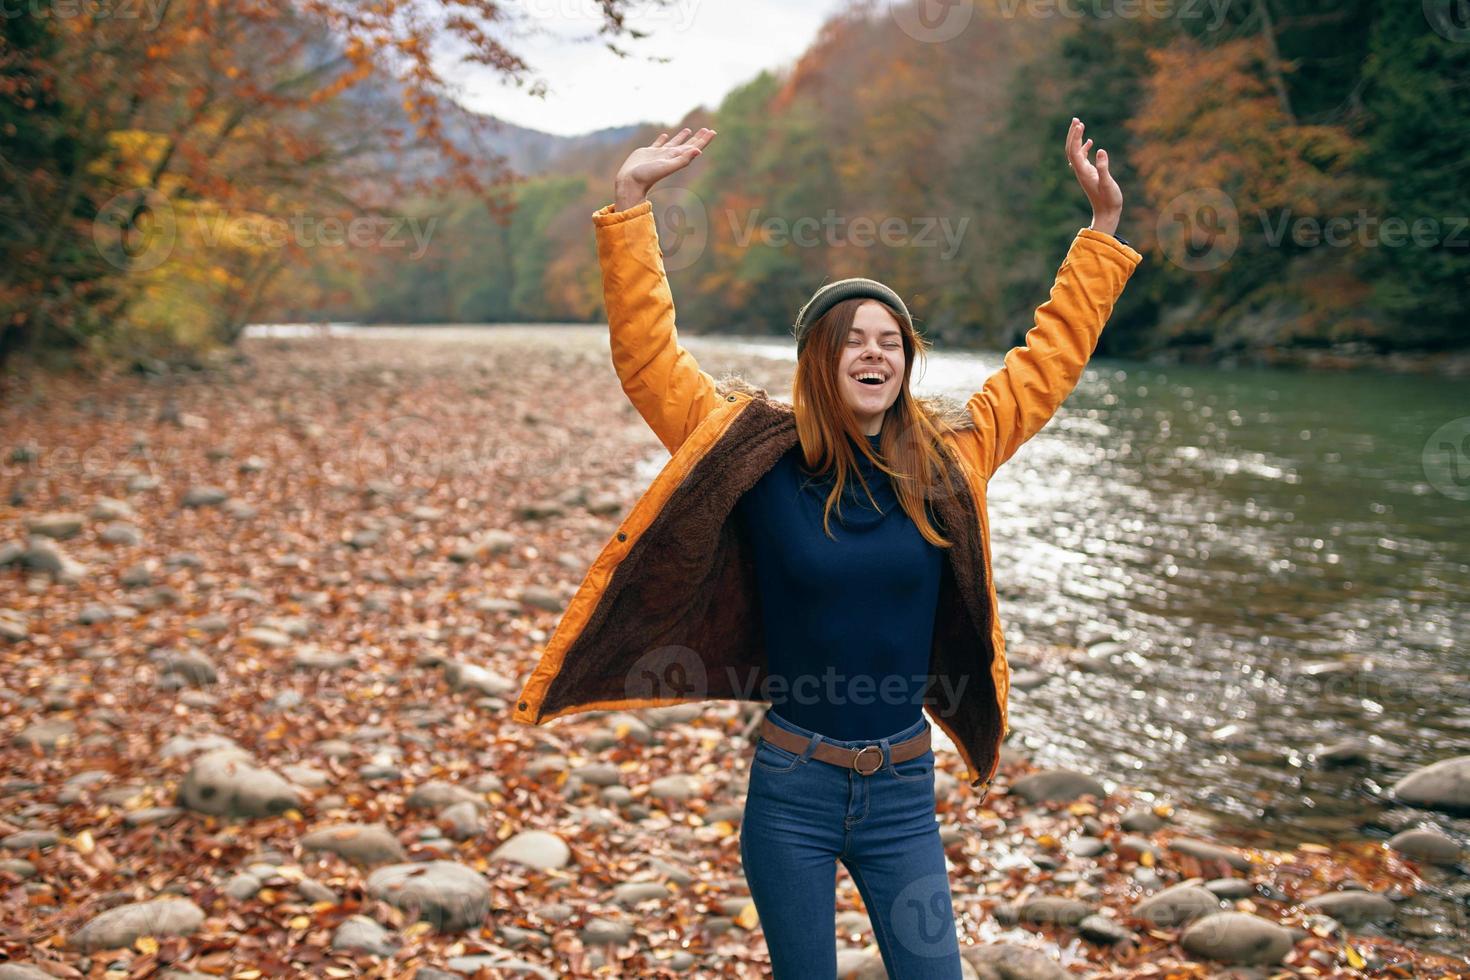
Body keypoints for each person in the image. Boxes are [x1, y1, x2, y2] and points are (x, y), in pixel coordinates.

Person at [512, 119, 1142, 979]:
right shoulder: (750, 452)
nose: (875, 352)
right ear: (819, 358)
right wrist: (630, 207)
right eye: (854, 338)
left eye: (892, 341)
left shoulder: (954, 455)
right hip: (791, 793)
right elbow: (648, 360)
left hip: (902, 800)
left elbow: (1046, 365)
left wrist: (1101, 234)